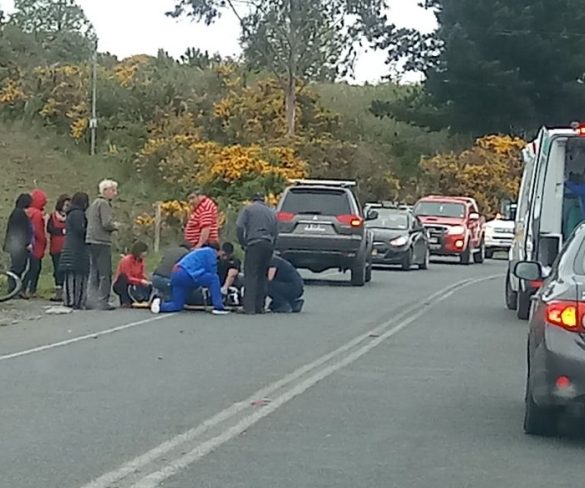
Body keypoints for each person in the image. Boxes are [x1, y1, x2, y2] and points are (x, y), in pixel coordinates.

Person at [150, 243, 228, 315]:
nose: (222, 258)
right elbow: (212, 272)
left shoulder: (198, 253)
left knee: (177, 305)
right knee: (214, 279)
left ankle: (159, 306)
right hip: (188, 273)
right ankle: (218, 307)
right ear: (219, 251)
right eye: (223, 255)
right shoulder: (210, 253)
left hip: (177, 274)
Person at [236, 192, 278, 314]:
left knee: (251, 275)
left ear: (252, 199)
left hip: (254, 243)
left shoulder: (248, 209)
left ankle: (249, 307)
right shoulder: (271, 212)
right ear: (263, 200)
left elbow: (239, 227)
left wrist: (243, 242)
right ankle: (260, 306)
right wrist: (272, 246)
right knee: (262, 275)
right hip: (268, 244)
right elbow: (276, 232)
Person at [86, 179, 119, 310]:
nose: (115, 193)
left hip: (91, 239)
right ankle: (103, 300)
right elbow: (106, 223)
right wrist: (116, 226)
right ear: (105, 191)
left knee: (93, 271)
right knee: (105, 272)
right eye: (113, 190)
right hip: (101, 240)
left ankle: (91, 299)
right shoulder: (104, 204)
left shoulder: (94, 203)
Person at [59, 192, 91, 310]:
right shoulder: (78, 214)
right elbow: (80, 230)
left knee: (71, 276)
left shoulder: (70, 213)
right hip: (77, 249)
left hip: (70, 248)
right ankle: (76, 300)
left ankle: (70, 299)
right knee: (78, 276)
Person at [3, 193, 33, 296]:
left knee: (19, 266)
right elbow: (20, 231)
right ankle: (13, 289)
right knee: (18, 267)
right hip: (18, 245)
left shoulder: (16, 213)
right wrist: (26, 243)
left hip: (15, 244)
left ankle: (15, 289)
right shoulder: (20, 214)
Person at [22, 188, 48, 298]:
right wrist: (44, 241)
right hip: (36, 245)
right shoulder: (37, 214)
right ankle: (30, 289)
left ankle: (22, 288)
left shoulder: (27, 212)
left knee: (30, 267)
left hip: (27, 244)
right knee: (35, 268)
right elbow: (39, 232)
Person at [113, 241, 152, 307]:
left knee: (148, 286)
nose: (145, 254)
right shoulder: (126, 260)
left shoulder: (141, 262)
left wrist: (146, 280)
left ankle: (142, 299)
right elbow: (128, 277)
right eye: (144, 251)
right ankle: (125, 301)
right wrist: (140, 281)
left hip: (134, 284)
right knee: (123, 278)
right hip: (121, 283)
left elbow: (141, 274)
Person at [47, 194, 70, 301]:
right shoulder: (53, 216)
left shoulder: (71, 216)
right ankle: (59, 292)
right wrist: (62, 231)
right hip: (56, 247)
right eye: (65, 205)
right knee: (57, 270)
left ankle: (68, 291)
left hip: (67, 248)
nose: (67, 207)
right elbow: (50, 229)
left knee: (67, 269)